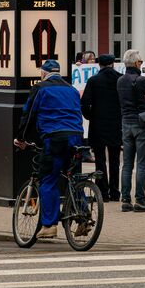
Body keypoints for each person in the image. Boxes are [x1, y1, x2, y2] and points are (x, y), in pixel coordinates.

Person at [16, 59, 85, 239]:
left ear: (43, 73)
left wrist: (20, 138)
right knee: (74, 177)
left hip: (54, 137)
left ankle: (49, 225)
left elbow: (28, 114)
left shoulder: (40, 88)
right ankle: (83, 214)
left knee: (48, 179)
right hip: (76, 135)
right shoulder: (71, 89)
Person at [117, 49, 145, 212]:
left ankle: (125, 200)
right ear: (136, 63)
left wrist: (144, 96)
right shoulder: (141, 80)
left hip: (126, 123)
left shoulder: (120, 81)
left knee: (127, 164)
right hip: (141, 123)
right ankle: (140, 199)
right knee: (141, 163)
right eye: (141, 62)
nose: (142, 64)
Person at [80, 53, 123, 203]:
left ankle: (103, 193)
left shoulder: (93, 80)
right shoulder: (120, 79)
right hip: (116, 124)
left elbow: (85, 103)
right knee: (115, 160)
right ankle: (115, 192)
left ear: (99, 65)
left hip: (98, 124)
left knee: (100, 160)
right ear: (113, 64)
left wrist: (90, 116)